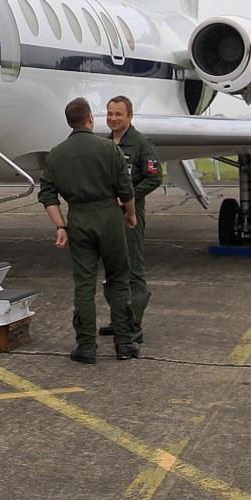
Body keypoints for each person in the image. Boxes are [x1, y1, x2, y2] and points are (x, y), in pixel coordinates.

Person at [39, 97, 139, 363]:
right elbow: (125, 189)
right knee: (118, 280)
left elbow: (47, 195)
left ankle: (86, 346)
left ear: (69, 122)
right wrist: (131, 214)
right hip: (109, 216)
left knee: (84, 284)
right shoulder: (108, 148)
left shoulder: (56, 154)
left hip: (79, 218)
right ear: (90, 119)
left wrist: (61, 225)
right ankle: (125, 344)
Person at [99, 95, 162, 344]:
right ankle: (118, 320)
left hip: (130, 215)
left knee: (133, 269)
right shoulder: (104, 144)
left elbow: (154, 177)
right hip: (107, 217)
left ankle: (133, 322)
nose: (113, 119)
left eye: (119, 114)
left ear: (130, 116)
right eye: (110, 114)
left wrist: (128, 197)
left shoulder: (140, 144)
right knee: (113, 269)